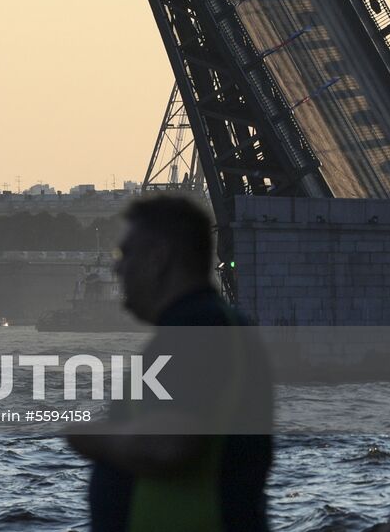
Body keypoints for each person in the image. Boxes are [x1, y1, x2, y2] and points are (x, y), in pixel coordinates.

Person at [66, 194, 273, 532]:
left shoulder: (196, 328)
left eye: (126, 253)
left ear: (158, 259)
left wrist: (92, 437)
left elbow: (168, 446)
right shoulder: (213, 325)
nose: (118, 267)